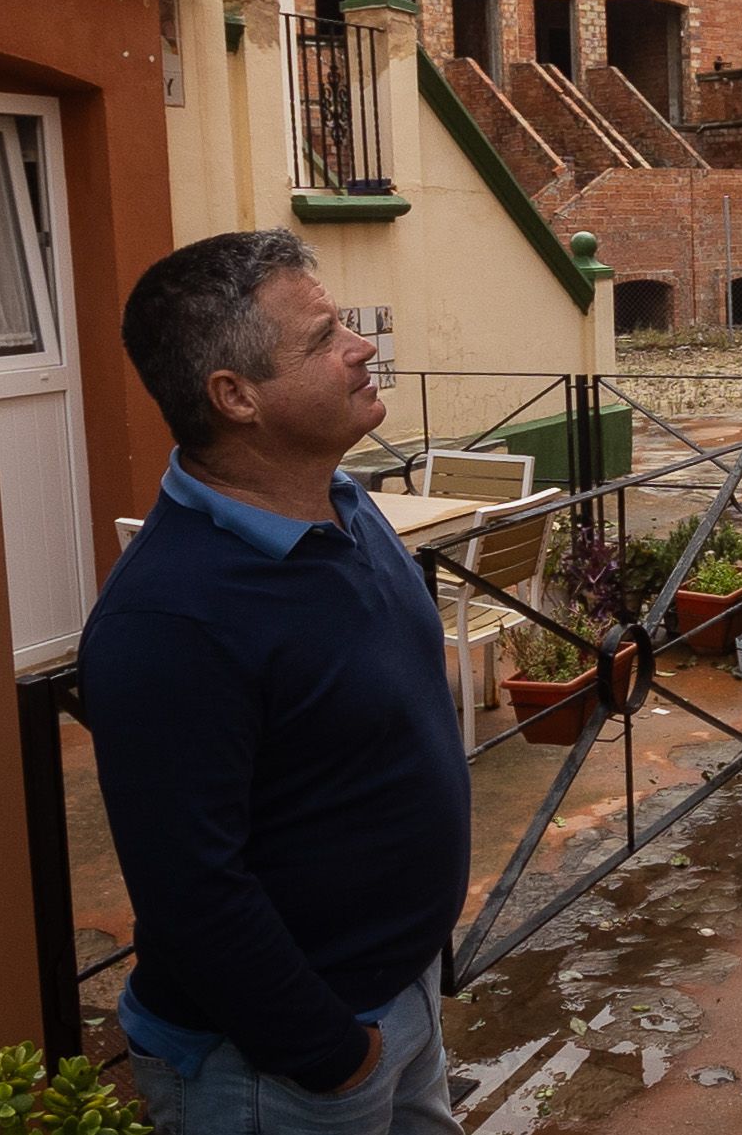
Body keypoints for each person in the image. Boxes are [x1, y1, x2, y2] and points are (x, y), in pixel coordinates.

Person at [81, 229, 468, 1133]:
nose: (362, 345)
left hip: (398, 1004)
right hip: (276, 1070)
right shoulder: (170, 619)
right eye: (324, 336)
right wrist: (332, 1056)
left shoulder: (345, 501)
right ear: (235, 397)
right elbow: (191, 889)